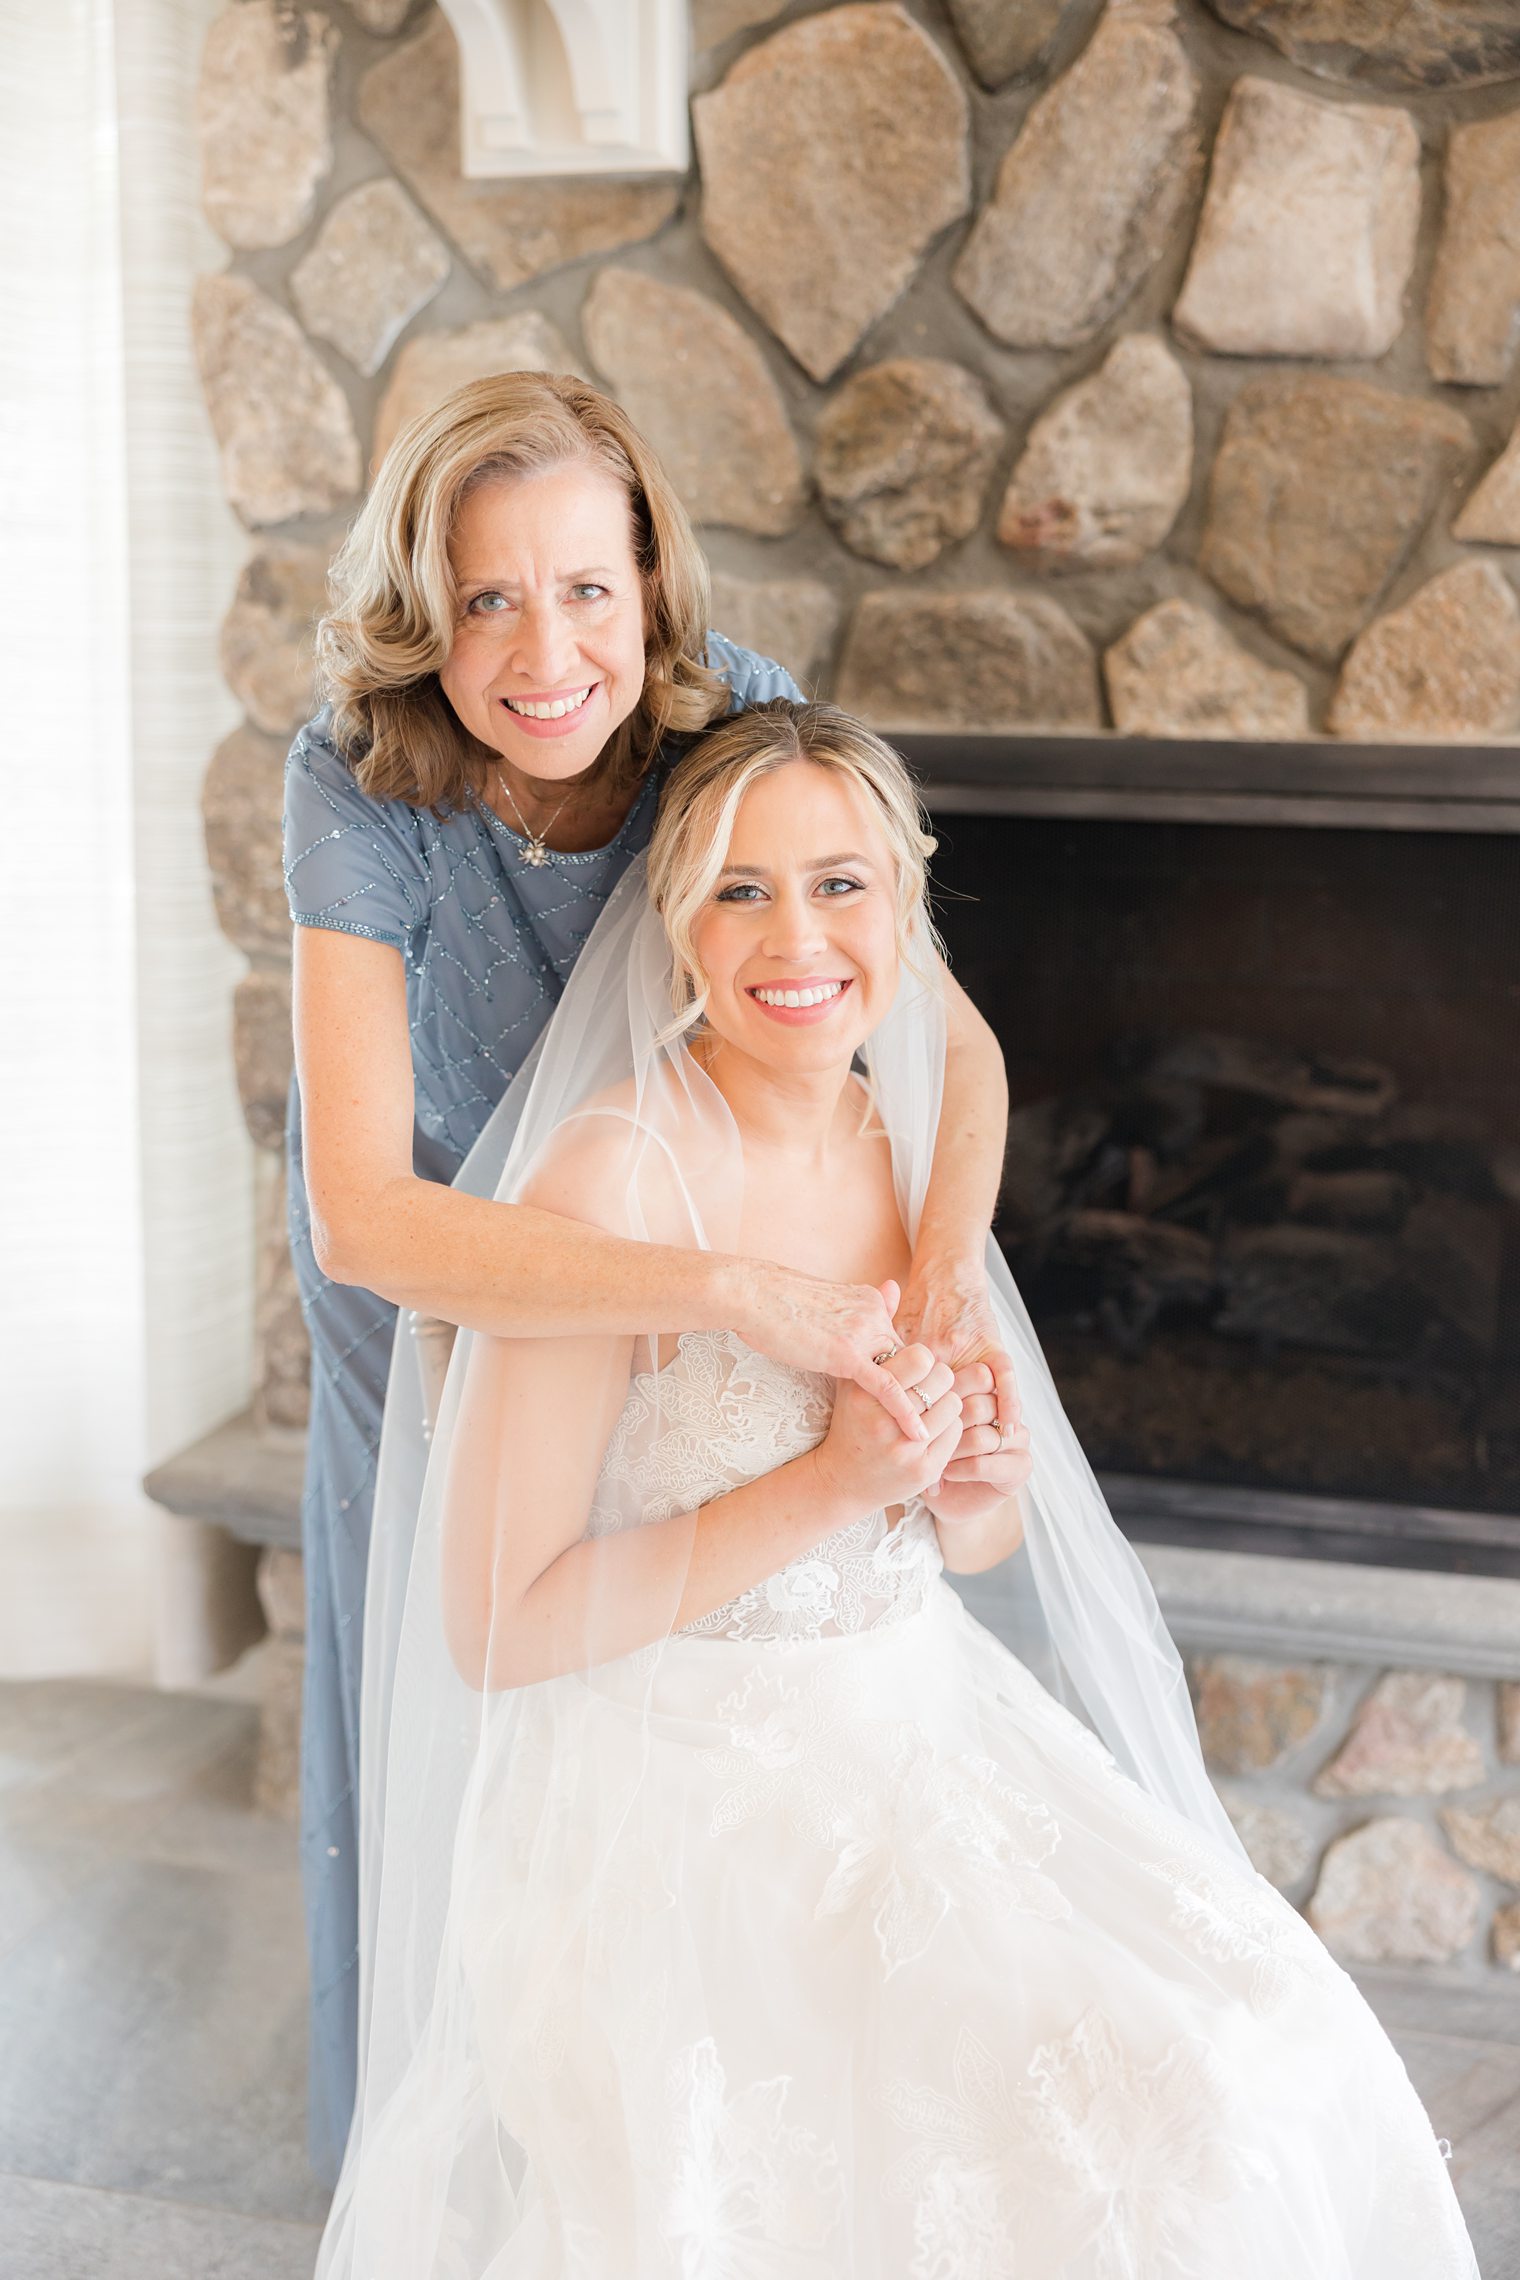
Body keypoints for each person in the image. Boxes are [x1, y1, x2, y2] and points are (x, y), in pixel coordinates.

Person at [316, 702, 1478, 2278]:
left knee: (1267, 2050)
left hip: (915, 1730)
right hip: (681, 1804)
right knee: (1050, 2127)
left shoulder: (907, 1148)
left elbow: (964, 1534)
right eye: (740, 888)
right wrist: (832, 1482)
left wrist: (968, 1479)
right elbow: (498, 1626)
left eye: (840, 884)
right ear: (675, 921)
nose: (796, 935)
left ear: (908, 910)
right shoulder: (616, 1178)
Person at [283, 375, 1015, 2178]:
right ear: (423, 616)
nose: (548, 651)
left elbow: (958, 1054)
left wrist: (927, 1286)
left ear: (652, 586)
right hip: (463, 1297)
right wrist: (732, 1292)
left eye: (587, 590)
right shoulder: (357, 775)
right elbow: (366, 1214)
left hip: (736, 1251)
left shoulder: (733, 720)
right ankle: (463, 2170)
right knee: (449, 1760)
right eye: (487, 601)